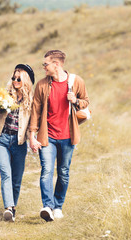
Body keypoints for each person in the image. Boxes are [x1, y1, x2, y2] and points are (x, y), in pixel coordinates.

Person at [29, 50, 89, 221]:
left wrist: (75, 101)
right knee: (46, 170)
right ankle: (47, 206)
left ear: (56, 64)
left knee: (63, 172)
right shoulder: (41, 85)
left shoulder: (76, 82)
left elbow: (86, 101)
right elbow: (35, 112)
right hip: (47, 136)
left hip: (68, 137)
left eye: (46, 64)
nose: (44, 67)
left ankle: (58, 206)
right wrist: (32, 136)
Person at [0, 64, 35, 222]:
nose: (15, 80)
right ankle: (8, 207)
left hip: (19, 143)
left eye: (19, 78)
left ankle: (13, 209)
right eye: (14, 78)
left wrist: (34, 139)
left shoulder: (31, 101)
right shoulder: (5, 95)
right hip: (1, 140)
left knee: (16, 179)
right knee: (6, 174)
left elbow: (32, 125)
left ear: (25, 81)